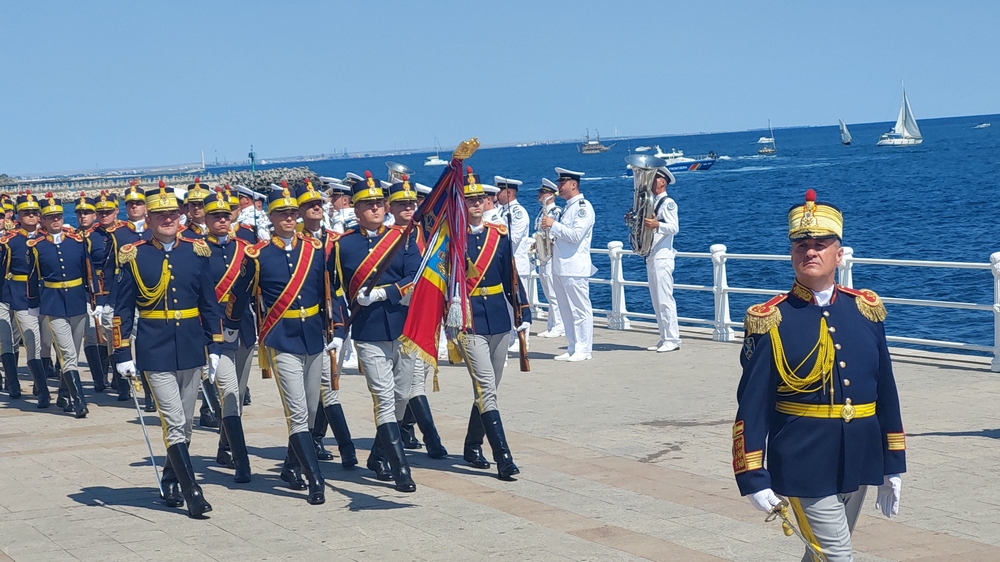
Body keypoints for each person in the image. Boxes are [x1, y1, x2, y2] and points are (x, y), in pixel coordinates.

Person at [734, 190, 905, 561]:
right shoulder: (771, 320)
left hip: (859, 458)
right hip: (802, 460)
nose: (810, 251)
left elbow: (885, 393)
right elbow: (752, 405)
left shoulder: (865, 310)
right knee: (838, 557)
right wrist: (751, 475)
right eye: (801, 245)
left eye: (820, 244)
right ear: (791, 254)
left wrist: (893, 462)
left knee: (821, 557)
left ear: (838, 253)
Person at [113, 183, 223, 518]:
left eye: (173, 214)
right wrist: (121, 353)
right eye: (161, 215)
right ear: (149, 218)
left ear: (181, 216)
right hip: (154, 346)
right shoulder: (135, 254)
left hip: (190, 345)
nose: (168, 219)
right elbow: (123, 309)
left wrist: (215, 344)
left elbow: (209, 303)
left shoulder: (196, 251)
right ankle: (194, 493)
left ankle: (171, 477)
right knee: (173, 421)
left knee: (186, 424)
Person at [225, 185, 329, 505]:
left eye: (292, 213)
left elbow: (328, 288)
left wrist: (334, 327)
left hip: (312, 335)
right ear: (270, 217)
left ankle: (290, 465)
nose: (288, 217)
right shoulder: (258, 255)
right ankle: (315, 481)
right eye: (282, 213)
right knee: (297, 411)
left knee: (312, 411)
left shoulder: (314, 248)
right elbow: (240, 293)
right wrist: (230, 330)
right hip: (281, 339)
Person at [331, 171, 419, 492]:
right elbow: (336, 289)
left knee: (401, 396)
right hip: (368, 332)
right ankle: (401, 470)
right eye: (368, 205)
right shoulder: (343, 246)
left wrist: (385, 293)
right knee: (383, 398)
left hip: (402, 324)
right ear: (355, 210)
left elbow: (415, 276)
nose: (376, 209)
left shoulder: (402, 237)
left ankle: (379, 456)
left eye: (380, 203)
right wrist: (339, 329)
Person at [458, 170, 531, 479]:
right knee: (486, 387)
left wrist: (522, 313)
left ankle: (472, 445)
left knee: (489, 387)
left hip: (499, 319)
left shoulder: (498, 235)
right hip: (469, 320)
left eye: (480, 199)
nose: (476, 204)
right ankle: (503, 456)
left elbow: (509, 277)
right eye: (470, 199)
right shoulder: (451, 238)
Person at [295, 179, 358, 470]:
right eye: (309, 205)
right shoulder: (294, 241)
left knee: (330, 384)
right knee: (323, 388)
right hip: (307, 321)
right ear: (299, 211)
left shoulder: (336, 240)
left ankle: (317, 438)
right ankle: (343, 447)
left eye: (318, 204)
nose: (316, 209)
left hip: (336, 318)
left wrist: (343, 324)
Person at [384, 178, 447, 459]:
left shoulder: (425, 233)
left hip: (424, 312)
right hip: (399, 313)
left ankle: (408, 431)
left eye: (412, 203)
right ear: (391, 206)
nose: (409, 208)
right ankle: (429, 438)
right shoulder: (387, 237)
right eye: (402, 204)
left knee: (414, 379)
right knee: (408, 382)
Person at [200, 189, 253, 484]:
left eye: (225, 215)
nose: (222, 220)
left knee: (239, 394)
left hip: (244, 329)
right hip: (216, 332)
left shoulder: (246, 248)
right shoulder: (197, 251)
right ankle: (241, 459)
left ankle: (224, 446)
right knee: (229, 392)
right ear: (206, 219)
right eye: (215, 216)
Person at [27, 194, 93, 418]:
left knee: (73, 350)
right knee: (66, 353)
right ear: (42, 221)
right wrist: (34, 304)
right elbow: (33, 276)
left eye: (58, 216)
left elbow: (88, 272)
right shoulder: (36, 247)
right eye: (50, 217)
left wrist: (93, 299)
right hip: (53, 303)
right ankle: (79, 401)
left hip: (76, 301)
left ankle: (64, 395)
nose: (55, 220)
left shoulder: (77, 242)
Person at [1, 192, 56, 407]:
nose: (31, 216)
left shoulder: (47, 238)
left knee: (46, 342)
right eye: (27, 212)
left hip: (45, 295)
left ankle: (37, 382)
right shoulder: (10, 241)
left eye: (35, 212)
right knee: (31, 340)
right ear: (18, 215)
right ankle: (42, 391)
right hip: (20, 295)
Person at [540, 168, 595, 362]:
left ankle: (584, 348)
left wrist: (553, 225)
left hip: (574, 266)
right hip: (560, 266)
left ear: (574, 184)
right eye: (559, 183)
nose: (559, 187)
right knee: (566, 309)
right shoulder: (568, 208)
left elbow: (575, 235)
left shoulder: (583, 207)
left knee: (580, 309)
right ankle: (572, 347)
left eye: (562, 183)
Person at [641, 166, 682, 353]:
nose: (650, 181)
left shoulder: (668, 203)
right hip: (652, 255)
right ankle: (664, 336)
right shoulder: (652, 202)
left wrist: (657, 225)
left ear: (663, 182)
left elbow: (674, 227)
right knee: (657, 300)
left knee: (665, 299)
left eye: (654, 178)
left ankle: (673, 338)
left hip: (662, 256)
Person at [496, 176, 531, 352]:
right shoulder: (500, 212)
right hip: (506, 267)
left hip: (518, 264)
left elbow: (513, 239)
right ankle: (511, 337)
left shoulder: (518, 212)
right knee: (509, 306)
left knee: (520, 305)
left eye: (499, 190)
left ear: (508, 192)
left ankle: (523, 339)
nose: (496, 194)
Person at [533, 178, 564, 339]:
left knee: (554, 293)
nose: (539, 195)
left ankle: (559, 325)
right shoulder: (543, 212)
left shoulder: (556, 211)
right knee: (548, 293)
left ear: (550, 195)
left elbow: (555, 232)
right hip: (543, 255)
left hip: (551, 255)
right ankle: (552, 324)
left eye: (542, 192)